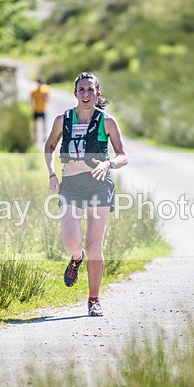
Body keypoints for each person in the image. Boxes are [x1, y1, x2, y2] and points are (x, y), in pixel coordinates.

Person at [44, 72, 128, 317]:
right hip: (70, 184)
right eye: (81, 90)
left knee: (94, 245)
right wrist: (51, 174)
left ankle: (94, 300)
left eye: (90, 90)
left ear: (97, 94)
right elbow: (49, 146)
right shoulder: (63, 119)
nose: (86, 94)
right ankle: (76, 258)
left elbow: (123, 155)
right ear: (75, 94)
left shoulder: (107, 121)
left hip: (99, 184)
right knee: (71, 241)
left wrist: (108, 164)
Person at [30, 76, 51, 142]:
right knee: (35, 125)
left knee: (44, 124)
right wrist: (32, 105)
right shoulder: (34, 91)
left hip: (43, 109)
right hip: (36, 109)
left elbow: (48, 99)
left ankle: (44, 136)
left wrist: (45, 96)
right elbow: (31, 100)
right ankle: (35, 137)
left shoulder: (46, 90)